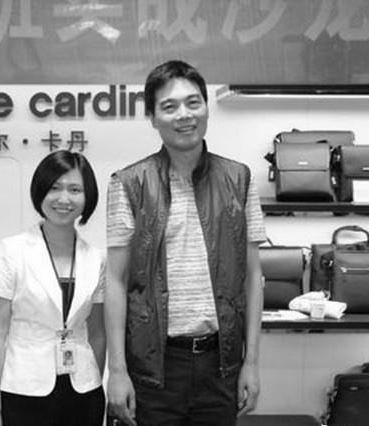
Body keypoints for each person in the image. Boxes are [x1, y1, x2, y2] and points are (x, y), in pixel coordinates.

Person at [105, 59, 266, 426]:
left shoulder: (239, 179)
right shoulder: (127, 183)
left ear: (206, 107)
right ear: (152, 117)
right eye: (169, 106)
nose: (184, 115)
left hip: (221, 363)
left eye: (193, 103)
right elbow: (115, 280)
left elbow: (253, 277)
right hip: (154, 364)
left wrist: (252, 362)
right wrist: (117, 370)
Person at [0, 150, 106, 426]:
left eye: (75, 190)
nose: (64, 198)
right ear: (40, 192)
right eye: (54, 188)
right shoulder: (12, 251)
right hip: (24, 388)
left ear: (88, 197)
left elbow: (97, 332)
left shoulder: (96, 258)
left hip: (84, 392)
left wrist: (94, 379)